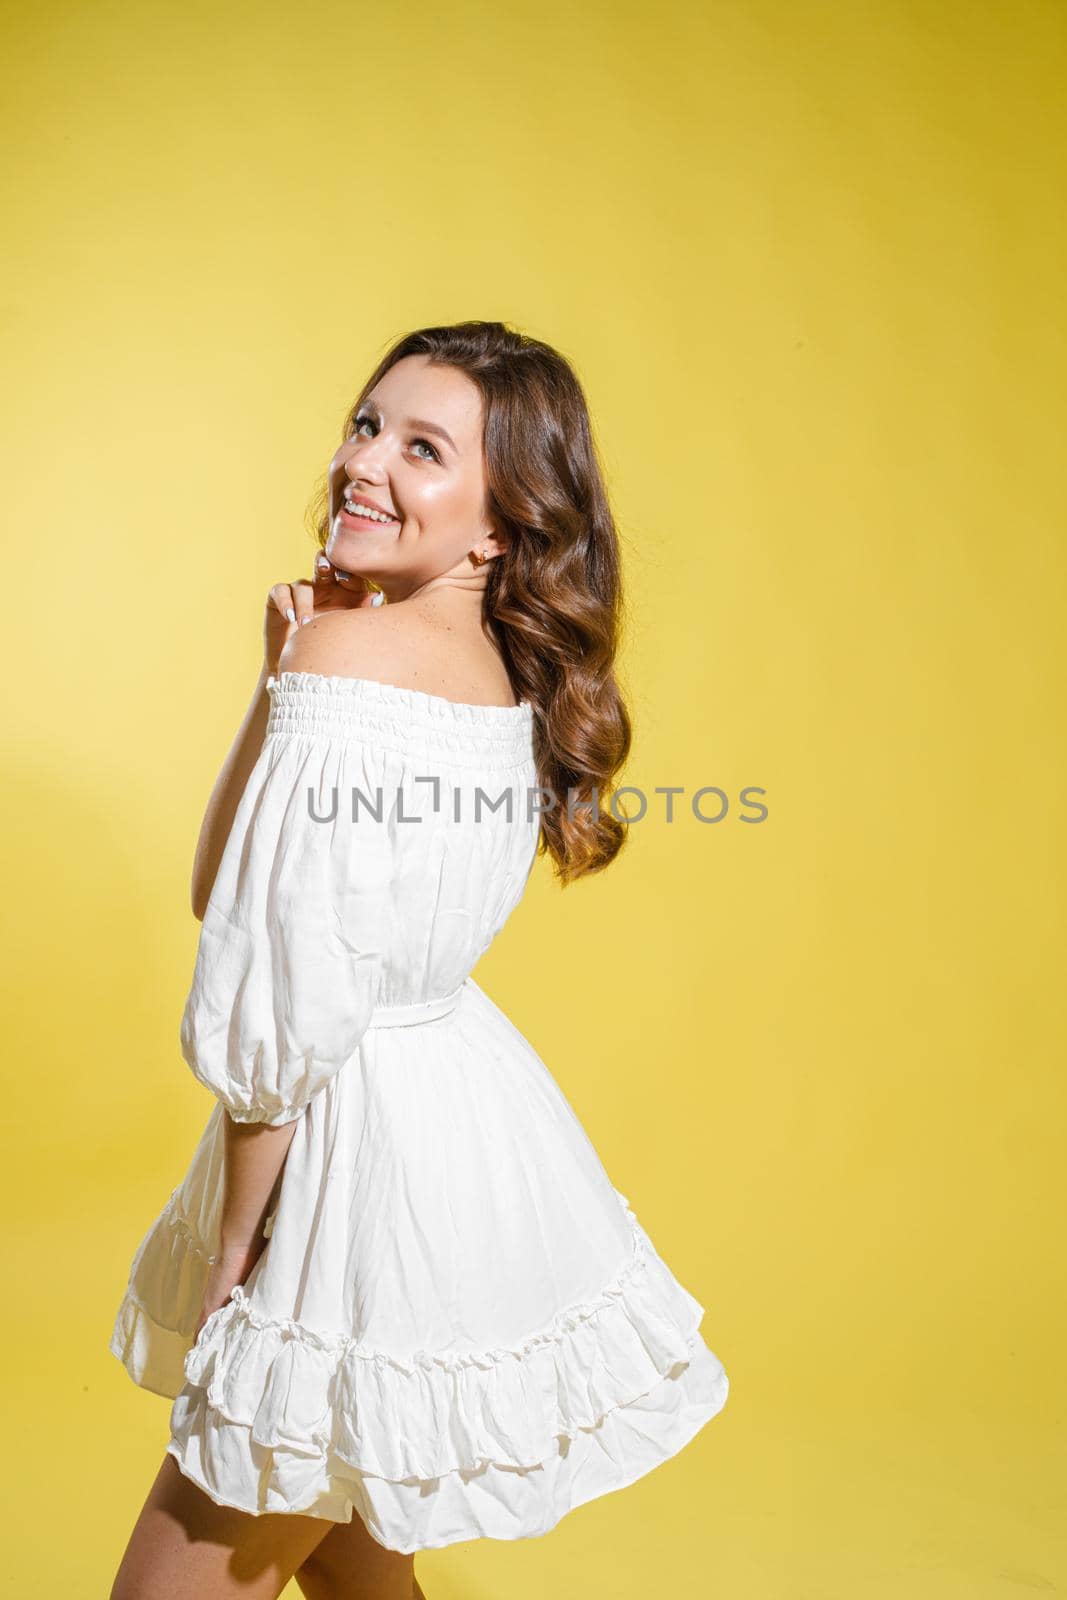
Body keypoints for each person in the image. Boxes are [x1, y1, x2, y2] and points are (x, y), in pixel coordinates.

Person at [109, 321, 729, 1600]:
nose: (364, 462)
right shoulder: (490, 670)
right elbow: (231, 894)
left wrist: (237, 1244)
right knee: (352, 1560)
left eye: (423, 447)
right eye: (365, 423)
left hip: (346, 1160)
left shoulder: (357, 658)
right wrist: (275, 677)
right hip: (457, 1133)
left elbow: (278, 1011)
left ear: (498, 525)